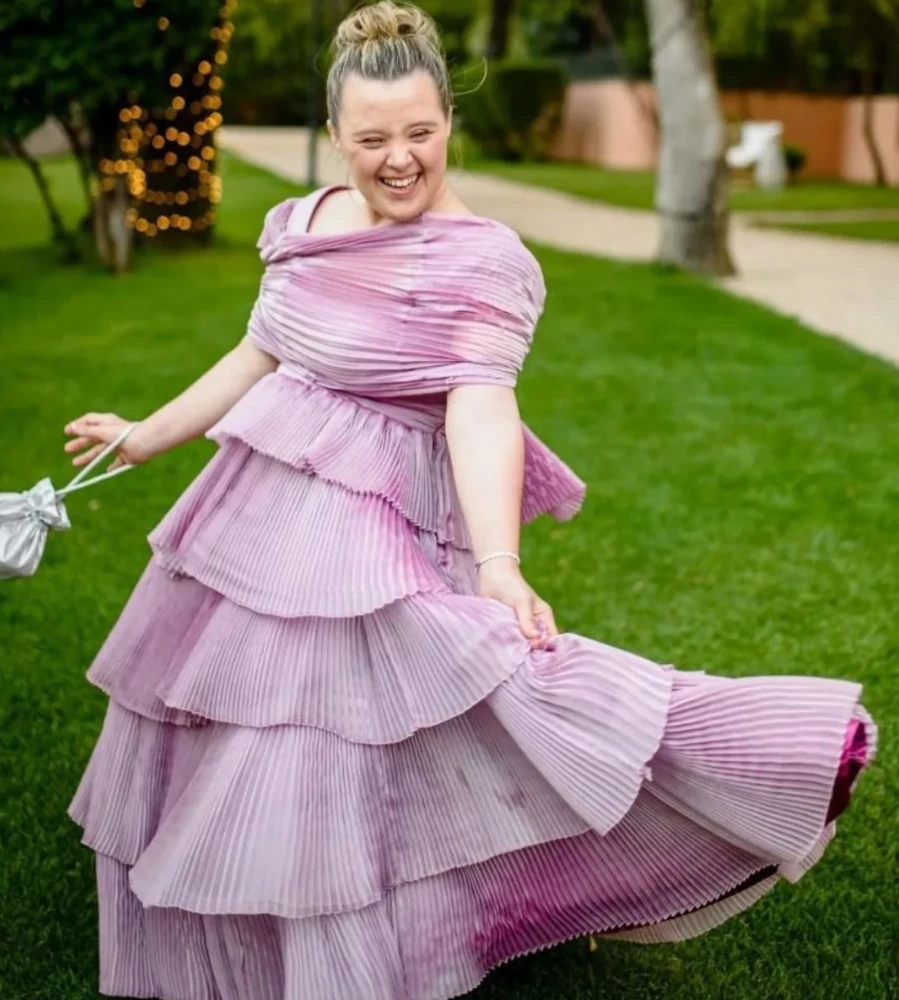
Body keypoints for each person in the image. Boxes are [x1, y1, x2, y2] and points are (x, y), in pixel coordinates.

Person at [63, 3, 875, 998]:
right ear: (334, 136)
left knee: (397, 720)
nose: (399, 158)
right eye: (371, 140)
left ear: (450, 114)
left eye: (420, 132)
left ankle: (756, 756)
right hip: (256, 511)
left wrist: (499, 567)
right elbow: (256, 353)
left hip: (373, 523)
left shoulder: (484, 260)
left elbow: (480, 412)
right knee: (254, 732)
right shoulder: (302, 220)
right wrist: (143, 436)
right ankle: (238, 924)